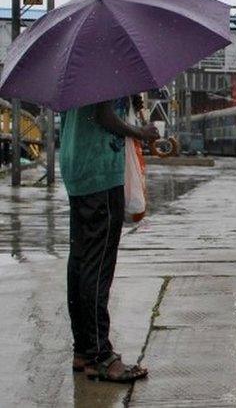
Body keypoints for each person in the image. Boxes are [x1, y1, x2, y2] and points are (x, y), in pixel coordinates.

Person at [61, 97, 159, 382]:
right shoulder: (105, 61)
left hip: (77, 169)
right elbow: (104, 116)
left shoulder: (78, 66)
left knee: (80, 262)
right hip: (101, 172)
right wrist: (141, 132)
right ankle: (100, 356)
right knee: (98, 265)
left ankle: (83, 349)